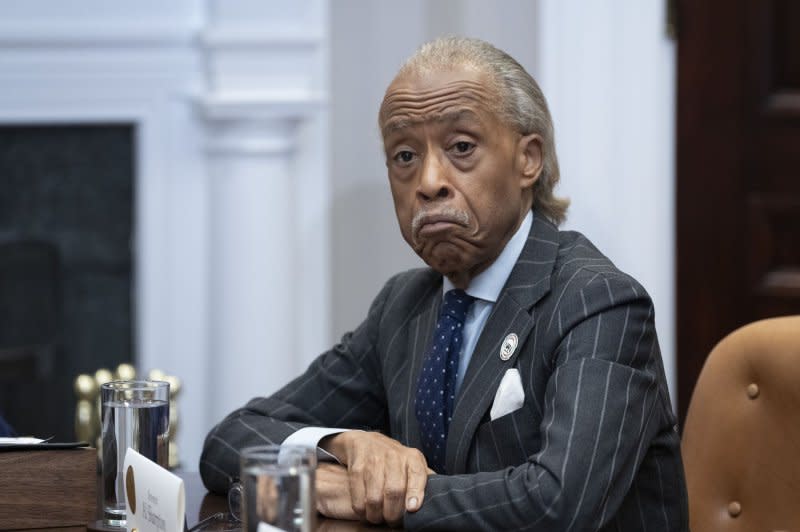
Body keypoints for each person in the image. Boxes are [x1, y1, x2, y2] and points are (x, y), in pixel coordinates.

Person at [200, 36, 688, 531]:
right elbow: (228, 439)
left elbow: (558, 503)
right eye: (405, 156)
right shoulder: (403, 305)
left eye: (461, 147)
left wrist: (363, 492)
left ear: (528, 159)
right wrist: (339, 445)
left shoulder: (597, 301)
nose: (429, 181)